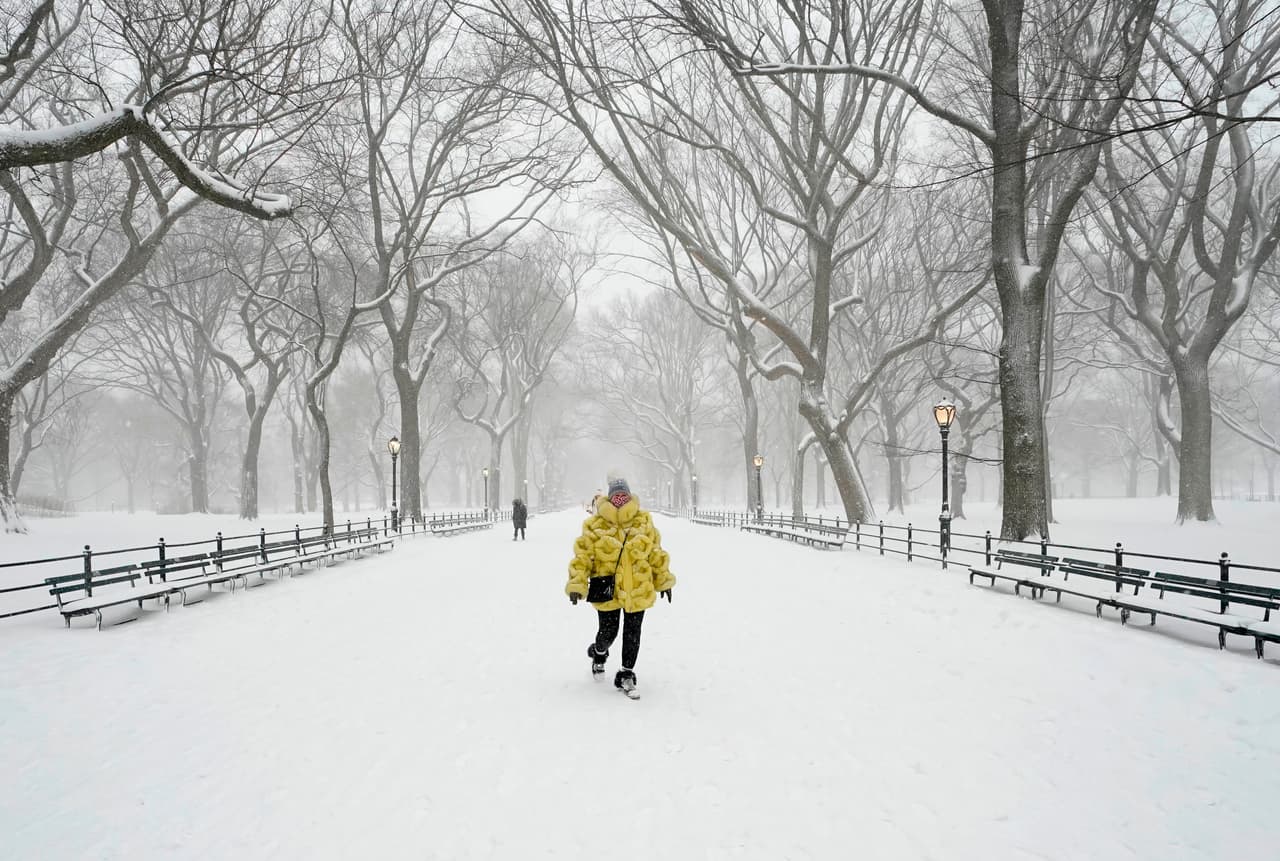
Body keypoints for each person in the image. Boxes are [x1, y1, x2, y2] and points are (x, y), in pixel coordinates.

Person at [565, 473, 674, 699]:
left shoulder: (643, 522)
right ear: (609, 497)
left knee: (633, 633)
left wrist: (663, 580)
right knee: (608, 632)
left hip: (638, 588)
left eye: (624, 495)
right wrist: (577, 584)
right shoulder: (594, 525)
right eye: (616, 496)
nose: (620, 500)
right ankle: (599, 652)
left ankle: (626, 674)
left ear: (630, 495)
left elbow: (656, 553)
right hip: (608, 589)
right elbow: (582, 556)